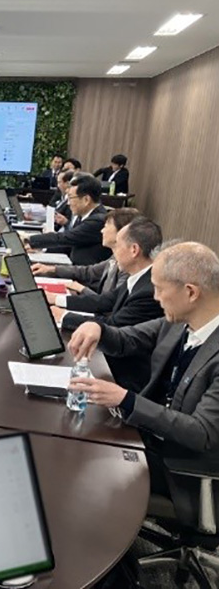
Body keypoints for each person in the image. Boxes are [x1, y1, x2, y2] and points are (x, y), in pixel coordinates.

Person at [68, 241, 219, 528]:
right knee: (79, 443)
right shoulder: (179, 322)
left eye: (159, 289)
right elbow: (127, 339)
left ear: (190, 292)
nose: (155, 296)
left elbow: (201, 433)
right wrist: (97, 328)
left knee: (88, 471)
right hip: (150, 437)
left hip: (185, 467)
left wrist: (127, 400)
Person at [50, 217, 164, 391]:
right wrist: (57, 299)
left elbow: (113, 326)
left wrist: (64, 316)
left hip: (124, 376)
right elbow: (104, 301)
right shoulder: (138, 277)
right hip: (110, 360)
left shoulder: (149, 290)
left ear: (134, 250)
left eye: (117, 245)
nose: (113, 252)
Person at [31, 208, 139, 296]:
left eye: (106, 226)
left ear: (122, 232)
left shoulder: (128, 267)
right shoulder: (114, 259)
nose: (102, 231)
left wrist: (81, 289)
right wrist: (51, 269)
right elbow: (88, 272)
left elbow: (109, 306)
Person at [26, 174, 112, 265]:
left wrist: (28, 240)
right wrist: (42, 250)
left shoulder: (97, 221)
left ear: (86, 200)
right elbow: (68, 245)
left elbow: (65, 238)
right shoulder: (84, 216)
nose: (68, 203)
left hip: (83, 271)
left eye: (70, 198)